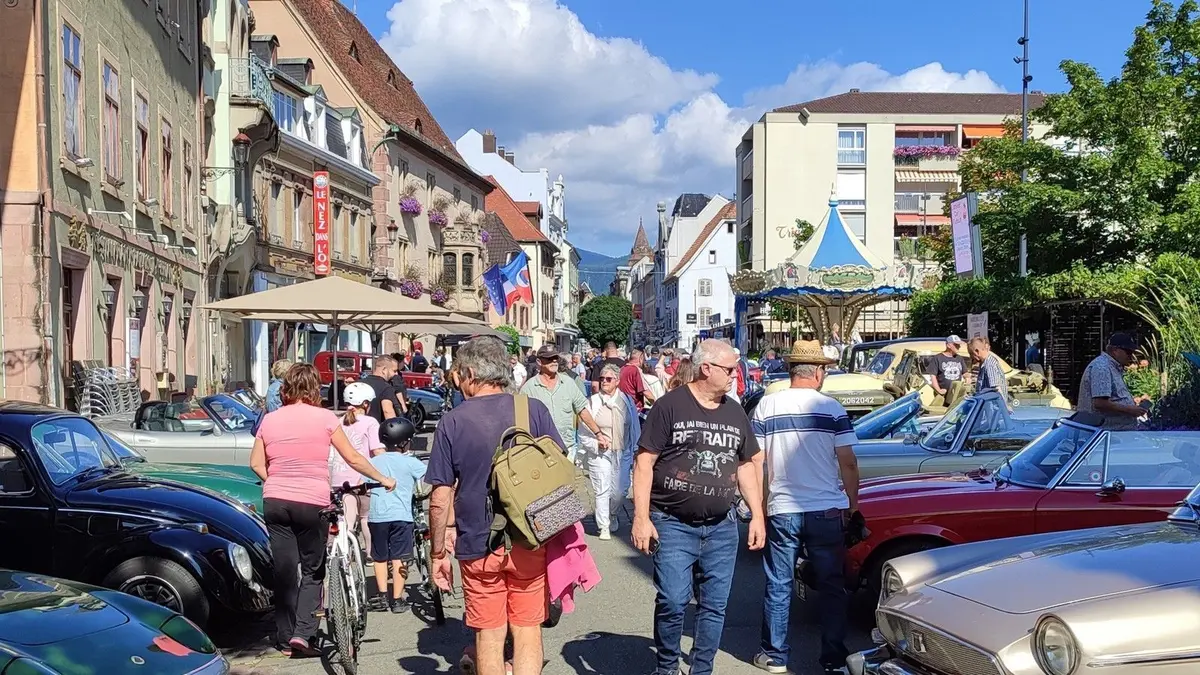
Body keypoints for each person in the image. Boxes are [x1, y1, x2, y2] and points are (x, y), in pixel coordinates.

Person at [426, 336, 565, 675]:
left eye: (458, 375)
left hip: (477, 542)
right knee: (527, 627)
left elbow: (440, 496)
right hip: (530, 535)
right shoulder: (533, 409)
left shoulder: (453, 421)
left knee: (488, 633)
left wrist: (438, 553)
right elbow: (559, 465)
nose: (457, 382)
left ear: (471, 373)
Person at [632, 339, 766, 675]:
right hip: (673, 523)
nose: (737, 375)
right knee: (673, 601)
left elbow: (747, 464)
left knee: (714, 606)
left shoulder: (735, 411)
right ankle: (666, 668)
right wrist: (641, 517)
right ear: (707, 368)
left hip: (722, 526)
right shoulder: (670, 406)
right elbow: (644, 463)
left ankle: (701, 669)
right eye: (730, 369)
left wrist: (758, 515)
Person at [250, 364, 396, 658]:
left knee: (285, 570)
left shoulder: (270, 419)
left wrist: (278, 482)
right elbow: (353, 458)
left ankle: (283, 636)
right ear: (316, 388)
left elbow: (256, 463)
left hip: (275, 500)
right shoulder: (326, 418)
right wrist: (383, 478)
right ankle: (304, 635)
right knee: (313, 569)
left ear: (286, 388)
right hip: (311, 501)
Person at [750, 340, 860, 674]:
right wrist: (852, 506)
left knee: (779, 582)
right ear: (819, 371)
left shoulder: (767, 406)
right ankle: (833, 658)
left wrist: (759, 505)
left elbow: (757, 461)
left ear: (791, 370)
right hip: (825, 507)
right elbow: (849, 463)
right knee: (831, 585)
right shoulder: (832, 408)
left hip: (783, 506)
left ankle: (775, 656)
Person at [367, 416, 427, 613]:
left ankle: (382, 595)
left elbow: (362, 482)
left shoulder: (373, 461)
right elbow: (430, 477)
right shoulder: (410, 462)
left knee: (380, 556)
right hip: (402, 516)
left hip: (377, 516)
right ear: (404, 441)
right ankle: (397, 599)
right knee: (400, 557)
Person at [579, 363, 641, 540]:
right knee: (602, 489)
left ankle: (613, 513)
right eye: (602, 379)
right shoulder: (592, 402)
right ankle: (604, 526)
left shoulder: (627, 401)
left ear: (617, 381)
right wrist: (595, 444)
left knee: (620, 491)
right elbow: (583, 434)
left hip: (622, 452)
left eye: (608, 379)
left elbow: (634, 427)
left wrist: (637, 449)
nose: (604, 382)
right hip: (600, 453)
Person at [520, 344, 608, 465]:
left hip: (566, 447)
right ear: (539, 362)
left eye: (556, 358)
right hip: (540, 449)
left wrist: (598, 433)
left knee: (567, 483)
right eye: (549, 358)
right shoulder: (528, 388)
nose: (554, 361)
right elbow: (521, 420)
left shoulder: (568, 383)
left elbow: (582, 410)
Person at [329, 382, 385, 555]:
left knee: (346, 519)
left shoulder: (338, 421)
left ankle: (342, 552)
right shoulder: (370, 422)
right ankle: (370, 554)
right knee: (366, 518)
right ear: (366, 404)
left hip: (338, 478)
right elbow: (377, 451)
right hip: (362, 478)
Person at [1078, 332, 1151, 429]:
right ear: (1115, 350)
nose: (1131, 356)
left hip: (1115, 433)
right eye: (1128, 352)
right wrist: (1130, 410)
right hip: (1105, 435)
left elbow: (1113, 398)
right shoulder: (1102, 367)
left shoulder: (1111, 367)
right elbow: (1100, 403)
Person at [929, 336, 969, 407]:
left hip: (955, 396)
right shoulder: (937, 358)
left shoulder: (959, 358)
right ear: (948, 345)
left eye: (959, 345)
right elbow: (933, 376)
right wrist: (939, 390)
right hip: (942, 396)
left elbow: (965, 372)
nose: (959, 346)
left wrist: (967, 377)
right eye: (956, 345)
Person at [968, 336, 1008, 402]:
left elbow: (996, 389)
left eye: (971, 354)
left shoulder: (990, 364)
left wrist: (1005, 407)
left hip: (994, 408)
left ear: (977, 351)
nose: (970, 357)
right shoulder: (984, 364)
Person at [386, 353, 411, 418]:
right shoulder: (395, 376)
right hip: (397, 405)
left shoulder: (399, 374)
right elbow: (398, 391)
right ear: (398, 362)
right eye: (403, 362)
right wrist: (403, 405)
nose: (404, 364)